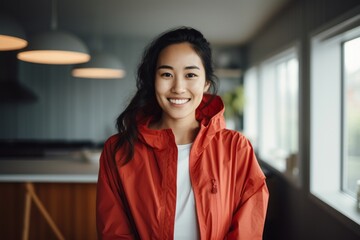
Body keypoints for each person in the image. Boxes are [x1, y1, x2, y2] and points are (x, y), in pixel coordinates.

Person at [96, 26, 269, 240]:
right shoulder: (118, 151)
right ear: (153, 80)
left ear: (206, 83)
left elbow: (247, 229)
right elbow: (114, 232)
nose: (178, 87)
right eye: (167, 74)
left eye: (190, 75)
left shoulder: (236, 148)